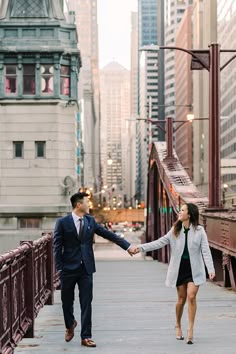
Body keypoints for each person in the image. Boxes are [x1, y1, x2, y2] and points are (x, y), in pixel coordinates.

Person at [53, 191, 136, 347]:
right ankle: (70, 325)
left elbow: (108, 234)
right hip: (68, 269)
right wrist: (60, 268)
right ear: (78, 205)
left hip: (86, 268)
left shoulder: (90, 221)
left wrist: (127, 247)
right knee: (66, 302)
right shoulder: (62, 223)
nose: (88, 205)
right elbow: (56, 247)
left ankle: (86, 336)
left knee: (86, 302)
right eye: (86, 202)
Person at [134, 203, 215, 344]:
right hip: (179, 270)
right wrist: (140, 248)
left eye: (183, 210)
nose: (180, 212)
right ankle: (178, 324)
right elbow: (159, 243)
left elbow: (206, 251)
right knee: (181, 300)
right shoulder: (175, 230)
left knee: (191, 296)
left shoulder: (199, 230)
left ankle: (190, 329)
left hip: (194, 270)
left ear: (189, 214)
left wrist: (211, 269)